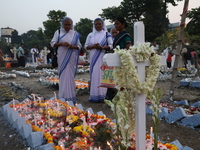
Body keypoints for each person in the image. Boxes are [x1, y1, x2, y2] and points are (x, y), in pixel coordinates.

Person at [50, 17, 82, 103]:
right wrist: (62, 44)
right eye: (66, 24)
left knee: (70, 75)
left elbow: (79, 46)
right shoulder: (58, 32)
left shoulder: (75, 34)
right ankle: (63, 95)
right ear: (62, 25)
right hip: (62, 57)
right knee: (63, 75)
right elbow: (52, 43)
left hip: (71, 57)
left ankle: (71, 96)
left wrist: (73, 46)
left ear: (72, 25)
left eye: (69, 24)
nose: (68, 26)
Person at [84, 18, 113, 102]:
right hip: (93, 57)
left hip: (102, 57)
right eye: (96, 24)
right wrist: (93, 46)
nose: (98, 25)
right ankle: (94, 95)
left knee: (102, 74)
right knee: (94, 75)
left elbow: (111, 45)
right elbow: (86, 46)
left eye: (99, 24)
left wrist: (102, 47)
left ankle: (103, 95)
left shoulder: (107, 34)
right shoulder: (90, 35)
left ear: (102, 25)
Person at [106, 16, 132, 101]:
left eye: (117, 24)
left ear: (123, 24)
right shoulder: (118, 35)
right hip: (116, 60)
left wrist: (120, 52)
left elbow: (128, 47)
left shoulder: (125, 36)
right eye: (115, 24)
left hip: (122, 61)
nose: (116, 26)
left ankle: (121, 99)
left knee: (121, 80)